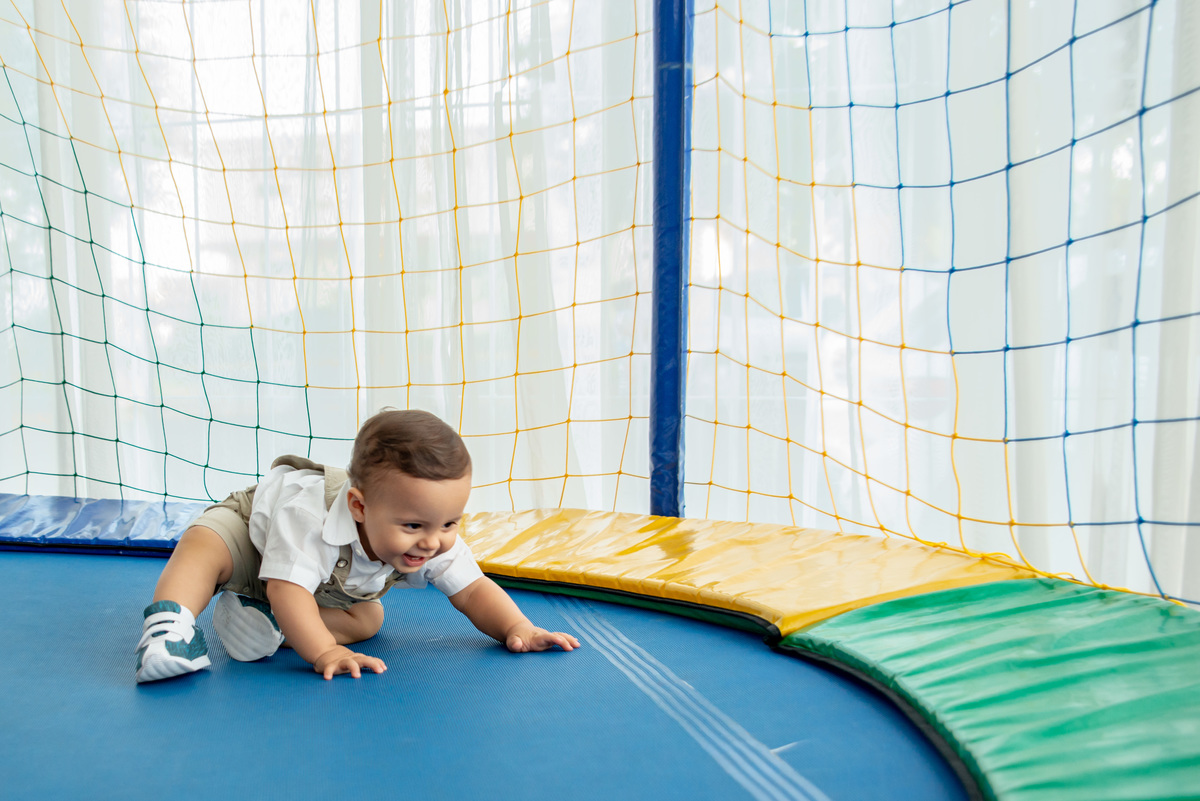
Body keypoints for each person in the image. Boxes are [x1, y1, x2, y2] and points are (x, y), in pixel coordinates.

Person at [135, 409, 579, 683]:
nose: (432, 540)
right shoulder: (311, 517)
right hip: (252, 540)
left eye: (449, 522)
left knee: (368, 617)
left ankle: (266, 626)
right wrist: (325, 652)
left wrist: (517, 627)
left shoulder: (432, 539)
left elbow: (473, 590)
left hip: (313, 586)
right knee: (203, 545)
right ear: (359, 506)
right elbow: (287, 587)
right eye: (413, 524)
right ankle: (168, 633)